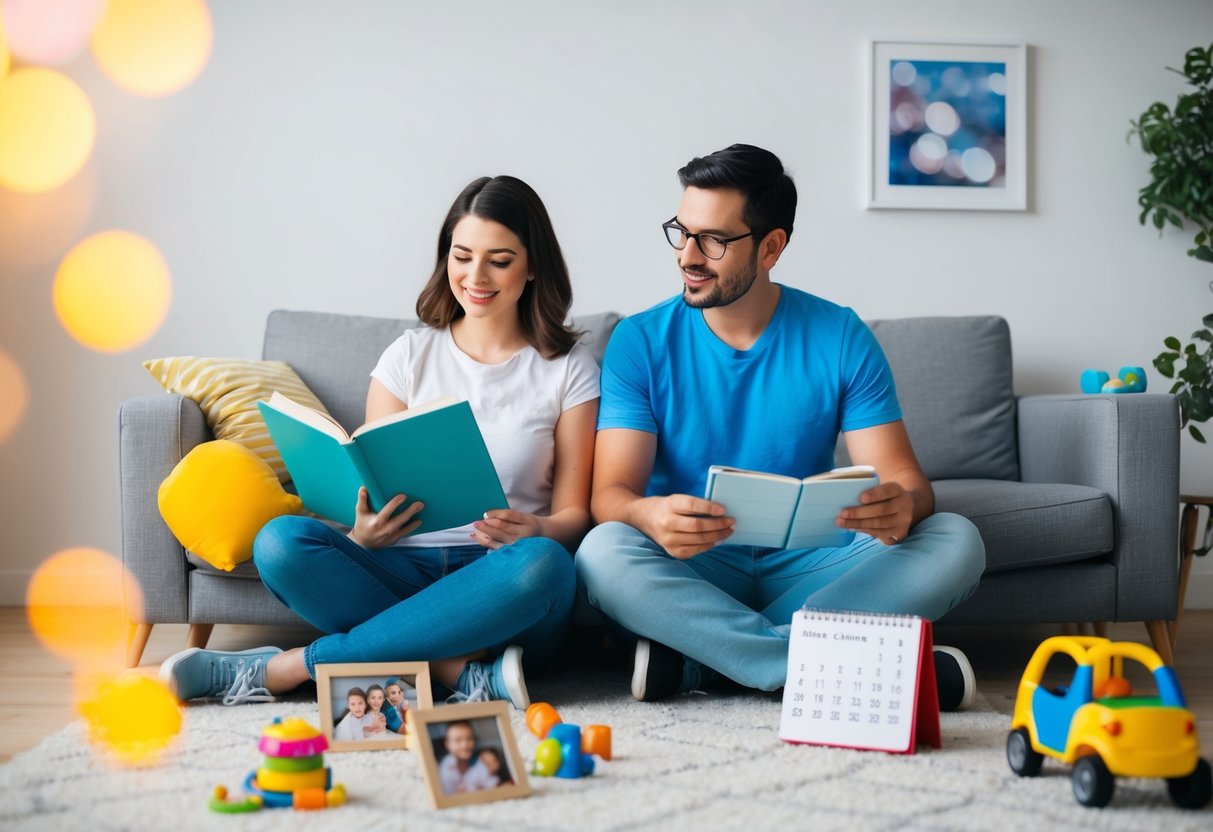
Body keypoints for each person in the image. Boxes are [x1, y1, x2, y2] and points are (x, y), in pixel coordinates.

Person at [160, 175, 600, 711]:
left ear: (533, 267)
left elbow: (576, 514)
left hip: (502, 578)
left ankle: (284, 667)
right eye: (462, 257)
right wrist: (363, 533)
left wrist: (539, 528)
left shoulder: (568, 368)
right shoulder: (407, 357)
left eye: (499, 260)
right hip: (401, 566)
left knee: (547, 563)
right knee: (278, 542)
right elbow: (369, 479)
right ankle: (453, 669)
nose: (475, 277)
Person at [574, 144, 986, 709]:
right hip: (695, 562)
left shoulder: (839, 334)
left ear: (772, 247)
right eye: (681, 231)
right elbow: (608, 496)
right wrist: (647, 512)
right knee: (603, 552)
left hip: (814, 561)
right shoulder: (639, 341)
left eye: (714, 240)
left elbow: (908, 482)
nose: (688, 256)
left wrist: (901, 505)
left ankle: (710, 660)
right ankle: (842, 664)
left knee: (956, 539)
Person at [437, 721, 499, 794]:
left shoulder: (479, 762)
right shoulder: (442, 770)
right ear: (448, 744)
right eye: (458, 740)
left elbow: (491, 785)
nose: (465, 745)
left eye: (469, 738)